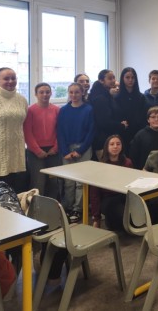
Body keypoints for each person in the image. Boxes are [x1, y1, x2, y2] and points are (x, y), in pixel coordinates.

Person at [57, 82, 95, 223]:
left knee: (80, 182)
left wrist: (80, 150)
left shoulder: (88, 109)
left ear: (82, 93)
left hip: (83, 149)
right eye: (71, 92)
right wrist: (65, 151)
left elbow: (91, 132)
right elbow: (60, 132)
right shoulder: (63, 110)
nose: (74, 95)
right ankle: (67, 207)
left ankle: (77, 209)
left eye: (77, 92)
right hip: (67, 149)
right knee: (68, 181)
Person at [23, 82, 60, 198]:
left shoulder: (56, 110)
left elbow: (60, 131)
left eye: (47, 92)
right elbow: (27, 133)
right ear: (36, 94)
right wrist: (37, 151)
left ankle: (53, 205)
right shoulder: (30, 111)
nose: (45, 94)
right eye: (41, 92)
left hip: (53, 151)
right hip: (35, 152)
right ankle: (36, 205)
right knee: (38, 182)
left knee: (54, 182)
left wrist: (56, 148)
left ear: (51, 93)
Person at [90, 135, 133, 230]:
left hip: (124, 197)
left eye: (118, 144)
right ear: (107, 147)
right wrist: (96, 218)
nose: (115, 146)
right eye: (112, 144)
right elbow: (94, 194)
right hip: (108, 199)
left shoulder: (127, 163)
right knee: (122, 215)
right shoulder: (100, 166)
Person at [89, 69, 125, 160]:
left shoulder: (106, 94)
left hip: (108, 139)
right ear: (101, 80)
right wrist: (121, 125)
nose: (113, 80)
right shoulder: (100, 98)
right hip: (103, 141)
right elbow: (104, 122)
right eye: (110, 78)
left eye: (114, 78)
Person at [114, 67, 148, 148]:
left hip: (138, 133)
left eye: (133, 77)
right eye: (127, 77)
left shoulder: (141, 97)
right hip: (122, 133)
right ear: (122, 79)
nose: (130, 80)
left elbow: (144, 116)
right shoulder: (116, 97)